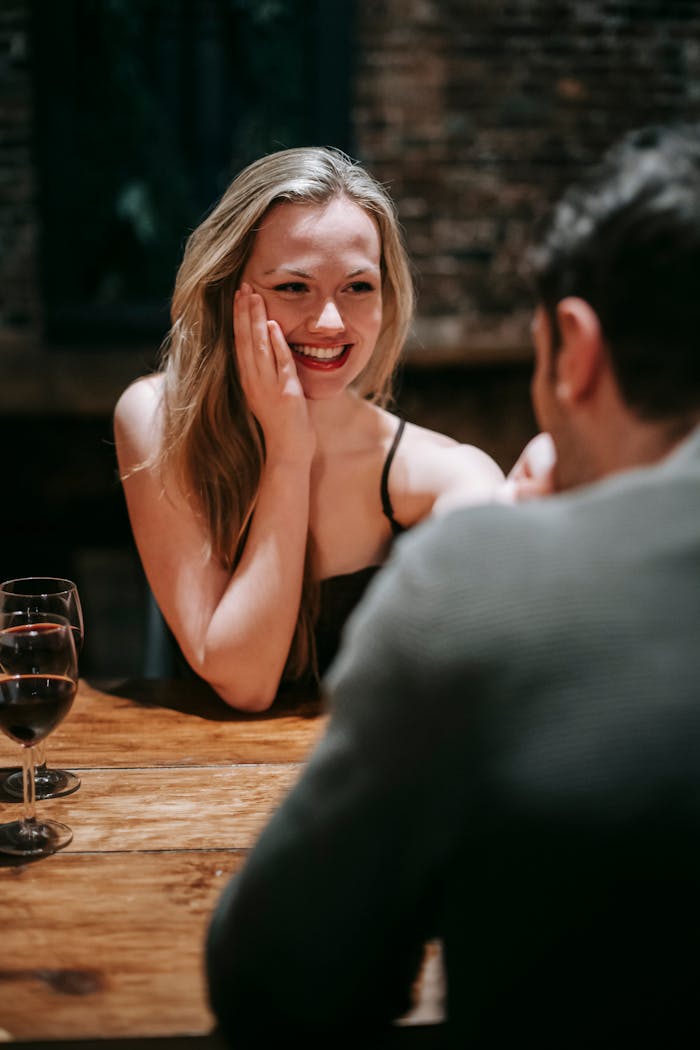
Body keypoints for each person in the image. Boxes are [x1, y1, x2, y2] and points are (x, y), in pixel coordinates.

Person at [205, 122, 700, 1048]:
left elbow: (280, 975)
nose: (329, 318)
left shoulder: (476, 578)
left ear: (575, 347)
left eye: (358, 287)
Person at [113, 146, 507, 711]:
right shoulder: (155, 417)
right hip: (198, 785)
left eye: (358, 287)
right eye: (294, 287)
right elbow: (245, 682)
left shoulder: (447, 472)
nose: (329, 322)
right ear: (227, 290)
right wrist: (288, 453)